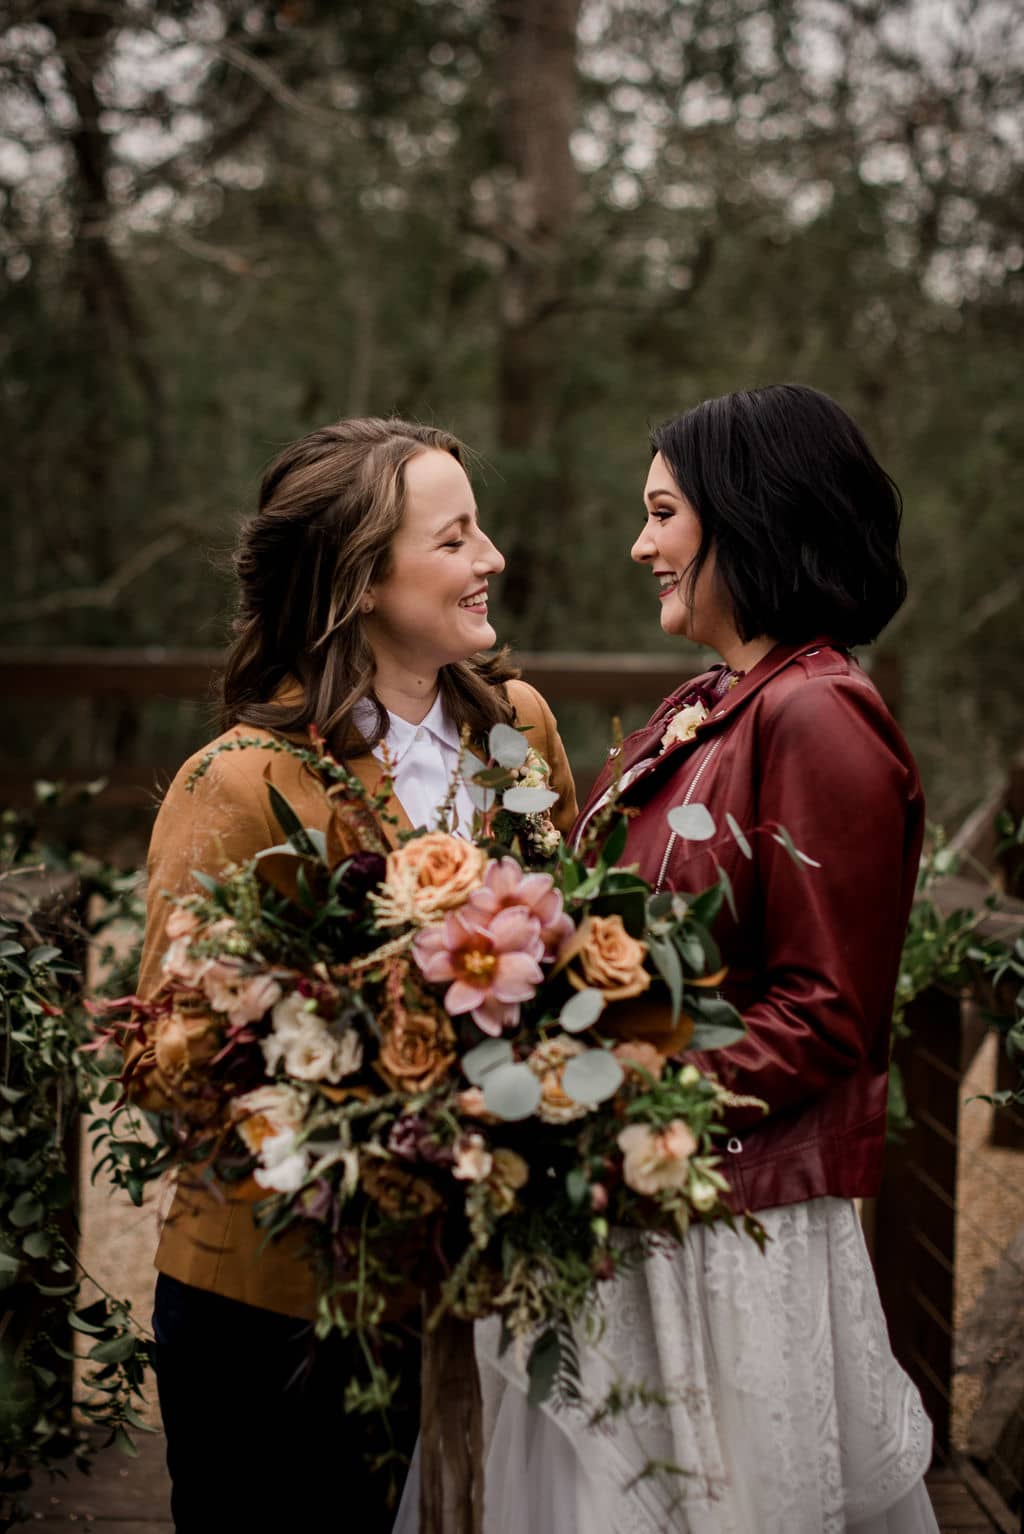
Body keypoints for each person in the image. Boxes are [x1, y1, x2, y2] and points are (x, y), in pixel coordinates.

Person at [461, 386, 938, 1533]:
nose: (640, 544)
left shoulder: (821, 716)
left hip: (730, 1224)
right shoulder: (715, 700)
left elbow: (828, 1011)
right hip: (653, 1207)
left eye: (664, 513)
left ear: (750, 513)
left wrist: (600, 1100)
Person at [124, 418, 577, 1532]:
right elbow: (164, 1058)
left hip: (475, 1293)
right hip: (274, 1301)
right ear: (360, 579)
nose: (493, 560)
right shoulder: (239, 781)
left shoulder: (517, 733)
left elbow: (569, 940)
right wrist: (368, 1076)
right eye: (457, 537)